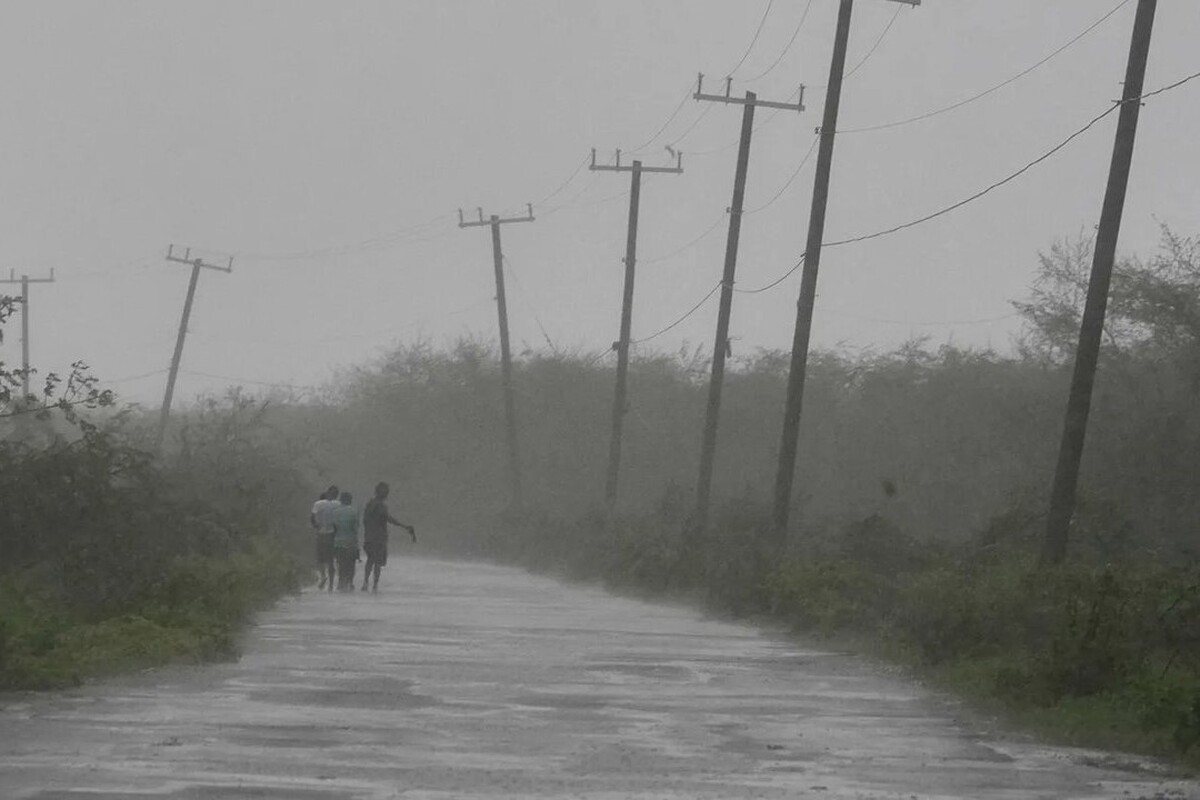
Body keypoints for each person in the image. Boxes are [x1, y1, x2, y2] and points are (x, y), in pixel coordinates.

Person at [361, 481, 416, 592]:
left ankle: (366, 582)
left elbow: (366, 520)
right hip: (379, 538)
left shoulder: (370, 504)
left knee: (370, 560)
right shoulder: (380, 506)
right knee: (377, 563)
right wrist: (404, 526)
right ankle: (374, 585)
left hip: (370, 538)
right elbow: (389, 519)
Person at [330, 491, 360, 592]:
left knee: (340, 563)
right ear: (350, 500)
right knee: (351, 564)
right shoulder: (354, 512)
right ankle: (350, 582)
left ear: (341, 500)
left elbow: (333, 527)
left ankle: (341, 581)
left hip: (338, 542)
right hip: (351, 542)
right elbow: (355, 529)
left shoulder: (335, 512)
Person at [310, 485, 339, 591]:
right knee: (330, 560)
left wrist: (316, 526)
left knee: (321, 559)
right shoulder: (337, 504)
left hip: (322, 534)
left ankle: (324, 578)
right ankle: (330, 584)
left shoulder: (318, 504)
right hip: (331, 535)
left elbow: (312, 518)